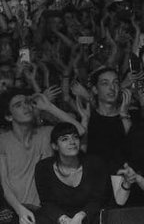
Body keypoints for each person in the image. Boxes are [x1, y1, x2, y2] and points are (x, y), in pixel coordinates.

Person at [0, 89, 86, 224]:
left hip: (46, 211)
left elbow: (79, 130)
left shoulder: (46, 133)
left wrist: (49, 107)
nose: (26, 107)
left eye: (27, 102)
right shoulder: (3, 141)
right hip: (16, 211)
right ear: (9, 116)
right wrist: (20, 210)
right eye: (18, 105)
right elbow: (4, 183)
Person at [34, 123, 116, 224]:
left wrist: (80, 216)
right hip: (58, 219)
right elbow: (47, 203)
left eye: (75, 137)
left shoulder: (95, 164)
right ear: (55, 146)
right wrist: (64, 220)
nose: (72, 142)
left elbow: (100, 199)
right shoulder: (43, 168)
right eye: (65, 139)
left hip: (90, 217)